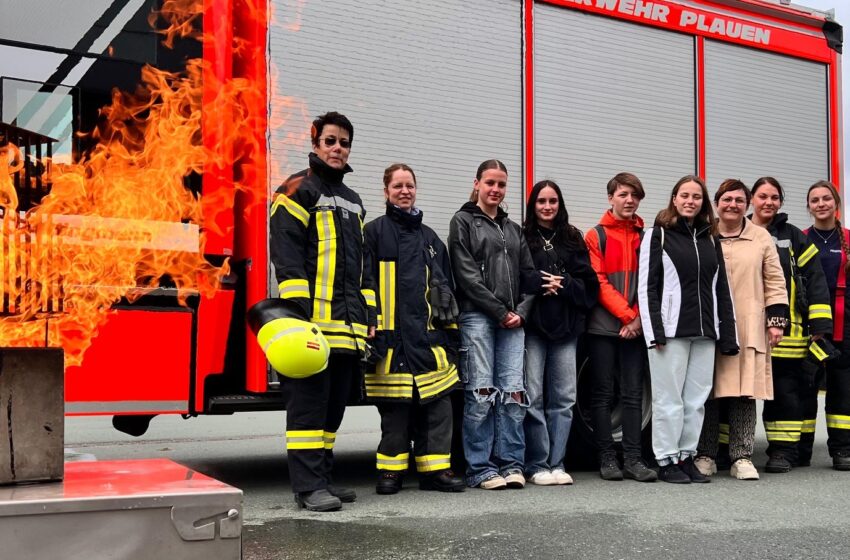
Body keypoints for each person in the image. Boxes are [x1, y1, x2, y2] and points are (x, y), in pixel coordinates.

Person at [270, 111, 375, 511]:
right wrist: (298, 317)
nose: (337, 148)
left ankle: (323, 478)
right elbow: (287, 254)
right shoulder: (296, 189)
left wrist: (367, 320)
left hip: (345, 329)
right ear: (315, 143)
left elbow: (361, 267)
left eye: (344, 143)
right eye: (330, 141)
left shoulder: (353, 200)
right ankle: (307, 487)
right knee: (308, 409)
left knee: (333, 409)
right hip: (310, 327)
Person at [362, 163, 465, 494]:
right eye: (397, 186)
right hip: (390, 343)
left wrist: (450, 338)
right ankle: (391, 472)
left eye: (409, 186)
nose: (404, 191)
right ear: (386, 192)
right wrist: (368, 324)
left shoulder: (431, 239)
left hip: (430, 342)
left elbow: (446, 292)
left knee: (438, 410)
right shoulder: (374, 233)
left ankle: (436, 471)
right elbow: (363, 282)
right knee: (395, 413)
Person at [448, 159, 544, 490]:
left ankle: (512, 463)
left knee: (514, 393)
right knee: (481, 393)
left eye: (501, 184)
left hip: (513, 321)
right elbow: (467, 276)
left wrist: (521, 312)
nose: (496, 190)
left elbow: (530, 277)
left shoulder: (513, 229)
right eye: (490, 182)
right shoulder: (462, 222)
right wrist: (500, 311)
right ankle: (481, 468)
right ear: (476, 183)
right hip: (478, 317)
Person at [637, 175, 738, 484]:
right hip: (670, 332)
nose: (690, 201)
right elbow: (647, 287)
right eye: (685, 195)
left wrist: (727, 334)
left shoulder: (711, 238)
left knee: (696, 400)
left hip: (705, 332)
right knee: (669, 400)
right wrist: (655, 331)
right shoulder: (658, 235)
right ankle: (666, 459)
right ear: (674, 199)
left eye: (696, 196)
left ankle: (685, 457)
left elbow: (723, 289)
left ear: (703, 202)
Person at [737, 176, 832, 476]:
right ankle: (728, 449)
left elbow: (815, 279)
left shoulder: (793, 237)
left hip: (787, 335)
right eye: (763, 196)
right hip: (746, 330)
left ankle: (782, 451)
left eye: (774, 197)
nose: (768, 202)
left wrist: (819, 323)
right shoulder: (737, 230)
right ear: (752, 198)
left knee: (786, 393)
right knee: (737, 390)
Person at [694, 179, 788, 481]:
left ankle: (742, 457)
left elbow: (775, 280)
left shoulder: (760, 237)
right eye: (726, 199)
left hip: (749, 324)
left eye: (738, 200)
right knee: (708, 391)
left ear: (746, 205)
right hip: (710, 324)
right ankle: (705, 455)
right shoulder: (704, 234)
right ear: (717, 203)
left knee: (745, 393)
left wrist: (776, 322)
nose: (732, 205)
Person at [522, 180, 599, 486]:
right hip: (534, 329)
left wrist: (563, 284)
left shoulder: (572, 237)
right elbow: (517, 278)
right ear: (533, 205)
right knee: (534, 396)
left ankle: (558, 463)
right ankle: (537, 464)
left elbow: (589, 287)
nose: (548, 207)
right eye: (542, 201)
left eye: (553, 201)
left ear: (560, 204)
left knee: (565, 399)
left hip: (567, 330)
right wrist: (543, 282)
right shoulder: (523, 236)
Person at [584, 172, 657, 482]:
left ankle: (633, 459)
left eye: (635, 196)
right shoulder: (595, 235)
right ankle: (607, 459)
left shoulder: (648, 236)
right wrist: (628, 316)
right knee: (601, 395)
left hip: (636, 327)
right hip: (604, 328)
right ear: (610, 197)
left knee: (632, 395)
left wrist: (638, 318)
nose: (629, 200)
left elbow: (652, 281)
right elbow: (597, 282)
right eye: (624, 194)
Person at [805, 180, 850, 470]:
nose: (821, 204)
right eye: (815, 200)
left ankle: (842, 450)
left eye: (826, 199)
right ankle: (799, 450)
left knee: (842, 389)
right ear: (808, 207)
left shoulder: (847, 238)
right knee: (805, 387)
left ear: (836, 203)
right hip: (810, 325)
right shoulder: (801, 238)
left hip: (845, 326)